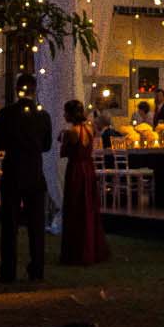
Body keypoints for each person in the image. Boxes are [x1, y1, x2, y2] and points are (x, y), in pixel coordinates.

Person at [0, 73, 54, 282]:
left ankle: (8, 271)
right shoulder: (43, 115)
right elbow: (47, 145)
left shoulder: (7, 113)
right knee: (36, 226)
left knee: (9, 225)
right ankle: (37, 269)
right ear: (35, 91)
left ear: (18, 90)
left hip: (13, 173)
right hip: (34, 173)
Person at [58, 100, 110, 265]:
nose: (64, 115)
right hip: (88, 169)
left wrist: (62, 137)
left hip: (76, 170)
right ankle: (92, 247)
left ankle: (77, 251)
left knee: (75, 207)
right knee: (88, 206)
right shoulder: (89, 129)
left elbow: (63, 152)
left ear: (71, 114)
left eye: (65, 112)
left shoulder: (72, 132)